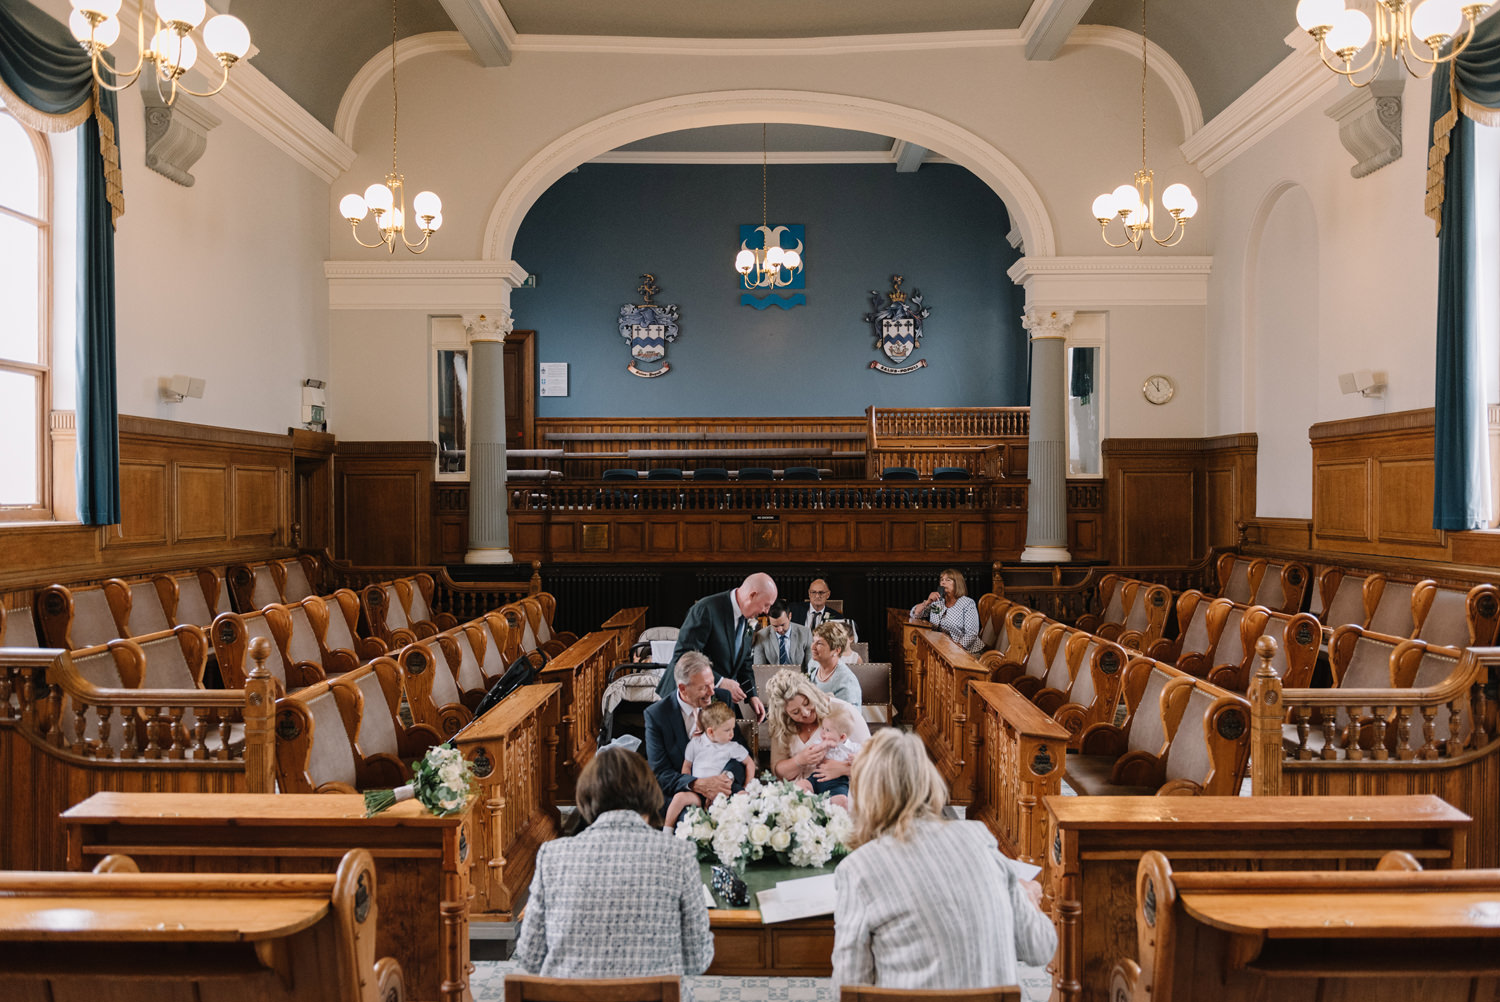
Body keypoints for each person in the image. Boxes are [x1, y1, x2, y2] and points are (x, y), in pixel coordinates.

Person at [830, 729, 1055, 992]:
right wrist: (1027, 899)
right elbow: (1040, 947)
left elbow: (848, 988)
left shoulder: (858, 869)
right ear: (928, 781)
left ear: (866, 794)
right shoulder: (978, 838)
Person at [514, 746, 713, 984]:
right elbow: (697, 960)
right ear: (649, 793)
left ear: (587, 795)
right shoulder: (678, 855)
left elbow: (530, 956)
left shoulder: (553, 856)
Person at [655, 572, 776, 721]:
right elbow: (684, 656)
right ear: (752, 595)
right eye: (766, 604)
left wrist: (752, 695)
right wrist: (721, 682)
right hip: (686, 698)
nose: (766, 611)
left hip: (716, 702)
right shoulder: (707, 609)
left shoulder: (748, 619)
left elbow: (744, 663)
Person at [644, 651, 737, 810]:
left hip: (724, 787)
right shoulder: (657, 715)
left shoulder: (723, 699)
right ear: (682, 688)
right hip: (681, 794)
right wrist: (697, 785)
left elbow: (738, 751)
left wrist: (724, 780)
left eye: (712, 684)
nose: (712, 692)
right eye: (704, 688)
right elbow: (660, 774)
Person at [765, 668, 869, 806]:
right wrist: (800, 760)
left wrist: (843, 769)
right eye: (795, 712)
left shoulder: (842, 711)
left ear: (812, 694)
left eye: (807, 703)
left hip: (843, 787)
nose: (806, 713)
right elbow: (779, 771)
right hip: (803, 789)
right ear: (784, 713)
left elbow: (873, 760)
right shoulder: (782, 725)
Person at [664, 700, 755, 829]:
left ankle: (742, 830)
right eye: (727, 730)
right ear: (711, 731)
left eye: (733, 729)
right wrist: (689, 785)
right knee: (679, 798)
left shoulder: (732, 747)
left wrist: (747, 786)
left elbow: (749, 763)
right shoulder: (695, 744)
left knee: (744, 798)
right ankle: (667, 830)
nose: (732, 734)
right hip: (699, 789)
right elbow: (687, 766)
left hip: (724, 789)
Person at [791, 701, 861, 805]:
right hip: (816, 778)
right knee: (800, 785)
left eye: (827, 730)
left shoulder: (852, 747)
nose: (822, 732)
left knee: (842, 800)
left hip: (837, 784)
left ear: (842, 737)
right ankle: (813, 802)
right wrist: (824, 746)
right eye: (823, 728)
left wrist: (855, 759)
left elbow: (865, 760)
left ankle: (829, 807)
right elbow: (812, 751)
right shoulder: (821, 743)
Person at [910, 567, 982, 653]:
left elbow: (972, 633)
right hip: (943, 648)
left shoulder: (967, 603)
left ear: (957, 583)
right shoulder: (938, 602)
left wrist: (956, 650)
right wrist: (928, 601)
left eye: (948, 580)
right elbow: (915, 614)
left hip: (967, 652)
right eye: (942, 580)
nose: (943, 582)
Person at [807, 620, 862, 706]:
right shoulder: (813, 664)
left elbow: (848, 716)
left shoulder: (847, 681)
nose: (812, 647)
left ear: (836, 650)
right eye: (813, 641)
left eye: (819, 643)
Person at [791, 578, 858, 639]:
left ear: (828, 595)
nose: (817, 596)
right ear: (809, 594)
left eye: (821, 592)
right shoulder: (794, 610)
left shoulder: (836, 617)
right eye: (814, 592)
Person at [752, 600, 812, 668]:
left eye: (783, 625)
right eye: (775, 626)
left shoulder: (805, 633)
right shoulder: (761, 636)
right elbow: (759, 669)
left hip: (799, 676)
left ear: (790, 616)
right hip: (773, 677)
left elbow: (811, 667)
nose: (780, 630)